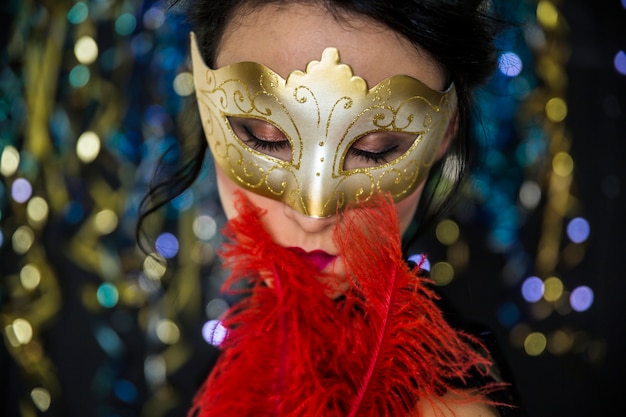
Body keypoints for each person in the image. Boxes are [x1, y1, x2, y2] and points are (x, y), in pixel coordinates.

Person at [139, 0, 522, 416]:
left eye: (376, 150)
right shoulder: (252, 352)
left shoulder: (445, 407)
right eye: (264, 137)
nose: (313, 213)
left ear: (447, 130)